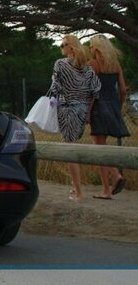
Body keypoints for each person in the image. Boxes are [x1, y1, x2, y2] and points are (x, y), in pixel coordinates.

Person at [50, 34, 101, 202]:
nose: (61, 48)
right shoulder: (87, 68)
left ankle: (78, 192)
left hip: (66, 109)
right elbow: (96, 90)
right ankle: (74, 187)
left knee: (69, 149)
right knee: (73, 146)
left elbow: (55, 88)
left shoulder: (60, 64)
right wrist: (87, 111)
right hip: (82, 110)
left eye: (63, 45)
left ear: (70, 47)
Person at [88, 34, 129, 199]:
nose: (90, 49)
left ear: (96, 49)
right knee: (102, 147)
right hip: (112, 106)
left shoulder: (93, 65)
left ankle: (109, 185)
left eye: (91, 46)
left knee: (99, 149)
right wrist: (118, 107)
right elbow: (124, 90)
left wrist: (88, 112)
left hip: (98, 107)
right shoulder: (115, 65)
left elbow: (92, 92)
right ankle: (110, 183)